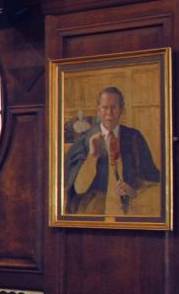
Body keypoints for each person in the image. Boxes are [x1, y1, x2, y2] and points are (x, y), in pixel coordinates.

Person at [64, 87, 161, 217]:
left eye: (114, 107)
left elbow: (153, 182)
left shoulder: (134, 138)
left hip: (129, 213)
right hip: (94, 215)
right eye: (104, 108)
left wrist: (134, 193)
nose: (109, 113)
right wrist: (93, 156)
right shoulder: (83, 141)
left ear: (122, 110)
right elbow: (78, 189)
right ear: (98, 110)